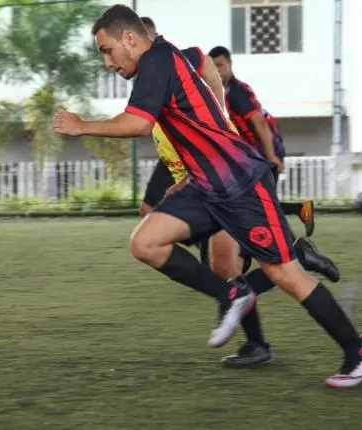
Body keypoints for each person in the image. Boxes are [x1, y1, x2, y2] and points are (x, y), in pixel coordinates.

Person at [54, 4, 362, 388]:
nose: (107, 62)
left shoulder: (156, 60)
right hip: (203, 185)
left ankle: (359, 352)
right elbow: (204, 66)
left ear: (130, 38)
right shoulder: (163, 58)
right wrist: (213, 119)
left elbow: (139, 124)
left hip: (240, 184)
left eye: (107, 51)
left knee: (284, 275)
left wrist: (81, 126)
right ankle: (233, 295)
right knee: (146, 242)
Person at [138, 16, 340, 367]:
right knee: (226, 273)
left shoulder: (175, 67)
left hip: (225, 182)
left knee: (233, 273)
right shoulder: (152, 84)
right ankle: (262, 327)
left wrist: (220, 113)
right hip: (201, 184)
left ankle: (267, 337)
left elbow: (202, 64)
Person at [207, 45, 314, 234]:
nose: (217, 71)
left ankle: (292, 239)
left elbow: (260, 123)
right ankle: (297, 217)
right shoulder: (228, 92)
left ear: (230, 64)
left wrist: (271, 156)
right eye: (213, 67)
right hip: (255, 156)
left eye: (220, 65)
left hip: (264, 154)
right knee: (261, 204)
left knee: (263, 206)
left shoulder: (238, 92)